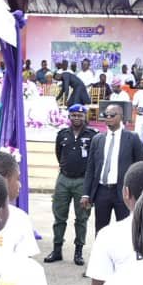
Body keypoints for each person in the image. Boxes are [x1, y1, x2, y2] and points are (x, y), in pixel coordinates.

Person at [45, 104, 97, 265]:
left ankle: (78, 252)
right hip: (63, 179)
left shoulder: (93, 135)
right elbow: (59, 154)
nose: (77, 118)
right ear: (69, 117)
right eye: (73, 115)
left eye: (80, 115)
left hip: (83, 181)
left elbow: (95, 159)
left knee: (82, 218)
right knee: (59, 216)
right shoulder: (62, 134)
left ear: (85, 117)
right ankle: (57, 250)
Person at [82, 105, 143, 233]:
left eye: (112, 115)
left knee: (124, 230)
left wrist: (137, 192)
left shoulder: (132, 138)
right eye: (106, 115)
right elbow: (90, 168)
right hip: (101, 191)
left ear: (121, 117)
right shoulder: (97, 139)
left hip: (123, 192)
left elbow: (140, 167)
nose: (108, 118)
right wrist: (86, 193)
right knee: (100, 230)